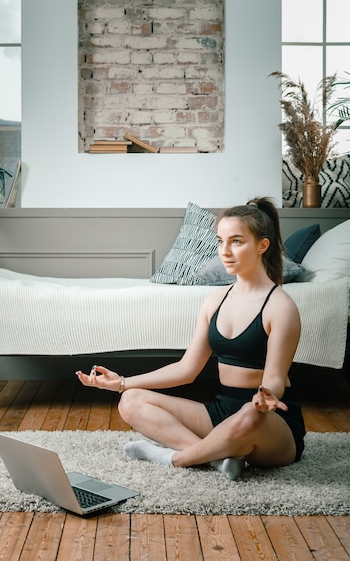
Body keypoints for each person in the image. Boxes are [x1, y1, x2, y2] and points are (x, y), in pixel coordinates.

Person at [76, 197, 306, 480]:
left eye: (236, 241)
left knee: (248, 413)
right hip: (221, 413)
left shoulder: (280, 306)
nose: (225, 251)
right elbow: (187, 369)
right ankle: (217, 459)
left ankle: (173, 458)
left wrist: (265, 396)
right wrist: (122, 383)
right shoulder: (214, 301)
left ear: (262, 245)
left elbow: (274, 378)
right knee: (131, 401)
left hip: (268, 423)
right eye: (220, 241)